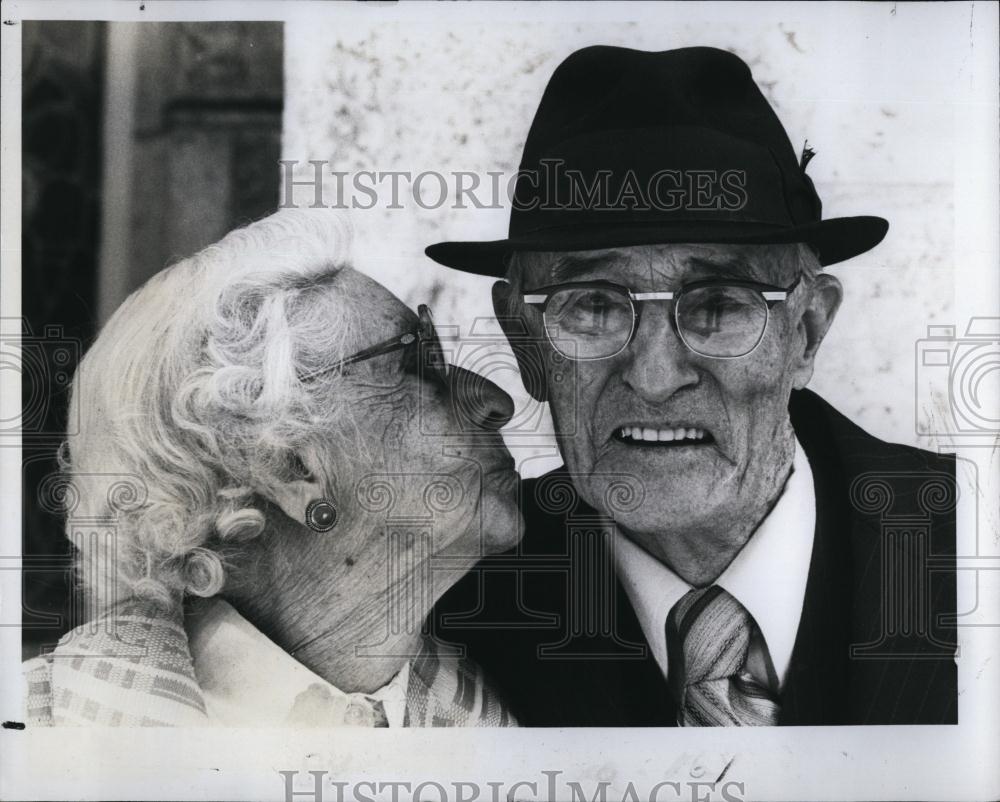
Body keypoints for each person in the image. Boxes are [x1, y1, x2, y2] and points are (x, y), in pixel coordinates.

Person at [427, 45, 957, 726]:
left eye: (716, 304)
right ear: (526, 343)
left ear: (808, 331)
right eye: (591, 305)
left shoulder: (973, 542)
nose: (653, 376)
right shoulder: (450, 599)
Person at [23, 209, 521, 727]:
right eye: (416, 364)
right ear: (291, 467)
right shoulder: (35, 739)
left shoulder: (502, 726)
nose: (494, 399)